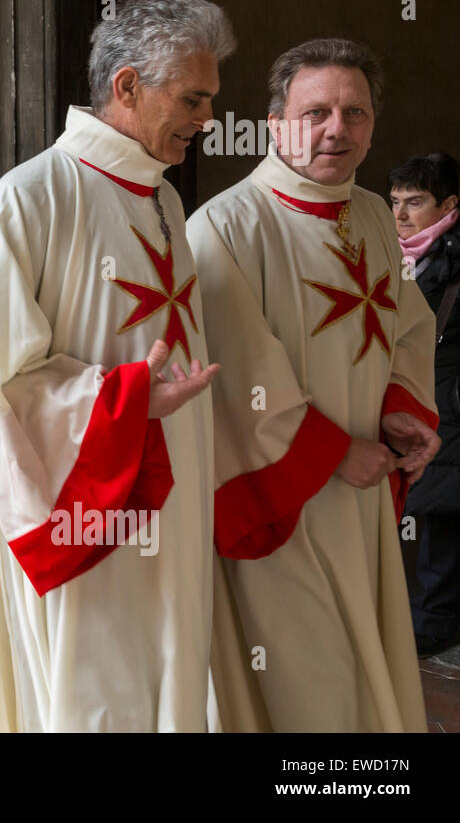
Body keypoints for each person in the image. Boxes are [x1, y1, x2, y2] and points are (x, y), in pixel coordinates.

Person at [0, 0, 232, 732]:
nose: (207, 120)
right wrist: (123, 402)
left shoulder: (163, 201)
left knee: (169, 663)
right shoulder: (26, 200)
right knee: (96, 681)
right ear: (127, 86)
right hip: (85, 500)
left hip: (173, 483)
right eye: (193, 99)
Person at [188, 38, 440, 731]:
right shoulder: (225, 228)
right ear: (275, 125)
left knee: (362, 663)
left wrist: (401, 412)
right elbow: (233, 378)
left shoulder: (370, 218)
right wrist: (333, 451)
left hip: (362, 491)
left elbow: (408, 329)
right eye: (316, 111)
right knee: (309, 679)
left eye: (354, 113)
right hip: (280, 495)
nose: (337, 129)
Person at [386, 154, 460, 659]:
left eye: (416, 202)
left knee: (442, 524)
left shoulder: (451, 259)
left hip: (445, 407)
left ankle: (434, 624)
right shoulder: (386, 254)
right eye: (395, 203)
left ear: (449, 205)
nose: (401, 215)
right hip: (406, 403)